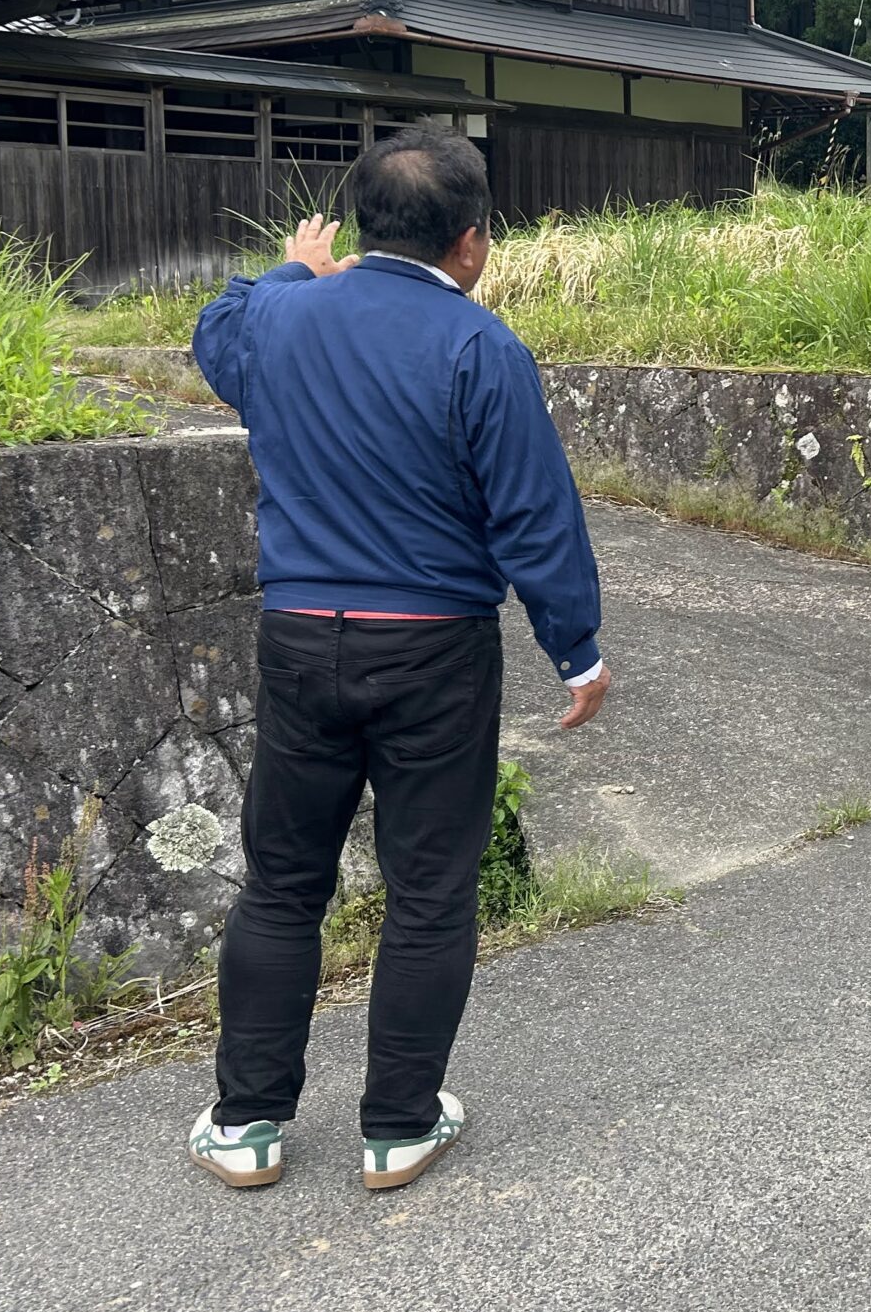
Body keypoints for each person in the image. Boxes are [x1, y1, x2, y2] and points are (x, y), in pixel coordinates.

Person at [185, 128, 610, 1193]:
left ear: (361, 223)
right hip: (433, 648)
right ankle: (398, 1128)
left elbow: (216, 332)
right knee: (428, 890)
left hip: (299, 635)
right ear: (471, 242)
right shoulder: (481, 346)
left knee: (283, 884)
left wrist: (293, 269)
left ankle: (246, 1125)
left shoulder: (279, 318)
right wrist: (577, 649)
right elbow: (534, 517)